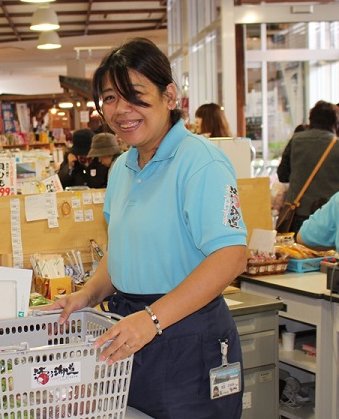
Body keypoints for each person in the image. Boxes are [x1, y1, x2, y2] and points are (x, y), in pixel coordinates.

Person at [51, 37, 247, 418]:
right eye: (109, 98)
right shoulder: (123, 168)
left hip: (188, 335)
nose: (121, 110)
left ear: (169, 95)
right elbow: (121, 250)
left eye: (135, 95)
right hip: (131, 329)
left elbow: (231, 256)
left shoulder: (202, 163)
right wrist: (87, 296)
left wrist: (153, 319)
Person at [276, 100, 339, 233]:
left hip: (297, 215)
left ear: (311, 120)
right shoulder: (337, 145)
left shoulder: (296, 140)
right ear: (334, 123)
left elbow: (282, 174)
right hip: (328, 218)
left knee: (298, 252)